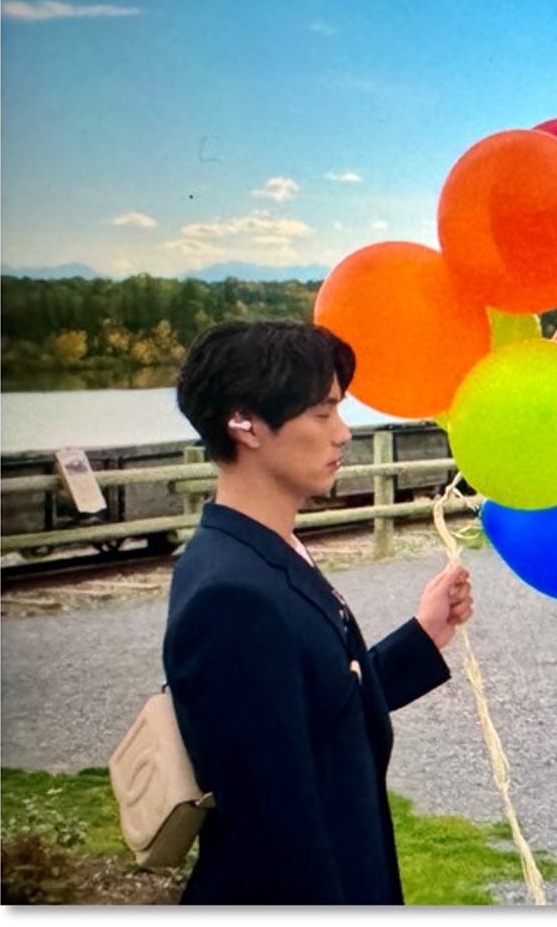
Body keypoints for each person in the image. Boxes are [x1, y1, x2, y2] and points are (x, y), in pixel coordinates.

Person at [163, 321, 473, 903]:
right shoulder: (231, 597)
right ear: (244, 424)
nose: (343, 432)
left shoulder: (262, 551)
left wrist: (423, 636)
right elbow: (274, 835)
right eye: (322, 412)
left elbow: (314, 709)